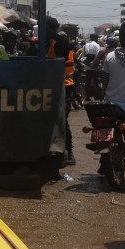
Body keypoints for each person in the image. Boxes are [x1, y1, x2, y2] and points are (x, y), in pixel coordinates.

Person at [45, 17, 76, 165]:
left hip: (65, 86)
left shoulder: (61, 40)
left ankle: (69, 153)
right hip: (54, 85)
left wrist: (51, 33)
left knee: (62, 119)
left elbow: (68, 45)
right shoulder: (50, 42)